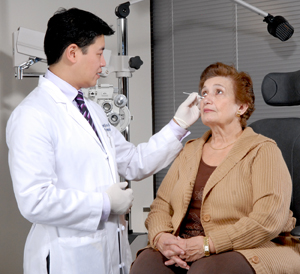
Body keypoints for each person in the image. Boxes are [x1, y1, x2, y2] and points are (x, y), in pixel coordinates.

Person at [6, 8, 201, 274]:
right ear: (73, 53)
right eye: (99, 53)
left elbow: (133, 162)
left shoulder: (91, 110)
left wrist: (178, 126)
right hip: (67, 259)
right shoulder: (32, 115)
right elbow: (35, 201)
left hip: (109, 253)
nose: (104, 64)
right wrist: (104, 203)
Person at [130, 62, 300, 274]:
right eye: (204, 93)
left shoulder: (263, 150)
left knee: (206, 270)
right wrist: (161, 237)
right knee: (146, 267)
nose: (206, 99)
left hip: (243, 247)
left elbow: (268, 219)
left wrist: (209, 244)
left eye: (218, 92)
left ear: (242, 107)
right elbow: (161, 205)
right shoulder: (189, 151)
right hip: (182, 245)